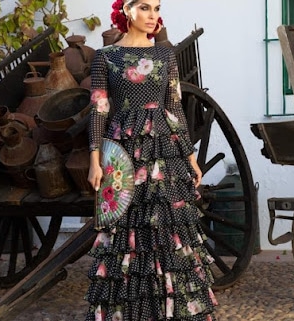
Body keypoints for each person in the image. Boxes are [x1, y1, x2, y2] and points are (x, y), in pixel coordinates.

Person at [85, 0, 218, 320]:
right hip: (124, 155)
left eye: (156, 8)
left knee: (168, 229)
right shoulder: (105, 57)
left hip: (164, 154)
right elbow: (99, 108)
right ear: (125, 11)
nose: (153, 15)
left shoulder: (164, 54)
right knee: (125, 232)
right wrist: (94, 159)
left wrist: (190, 157)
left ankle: (172, 312)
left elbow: (174, 110)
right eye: (144, 7)